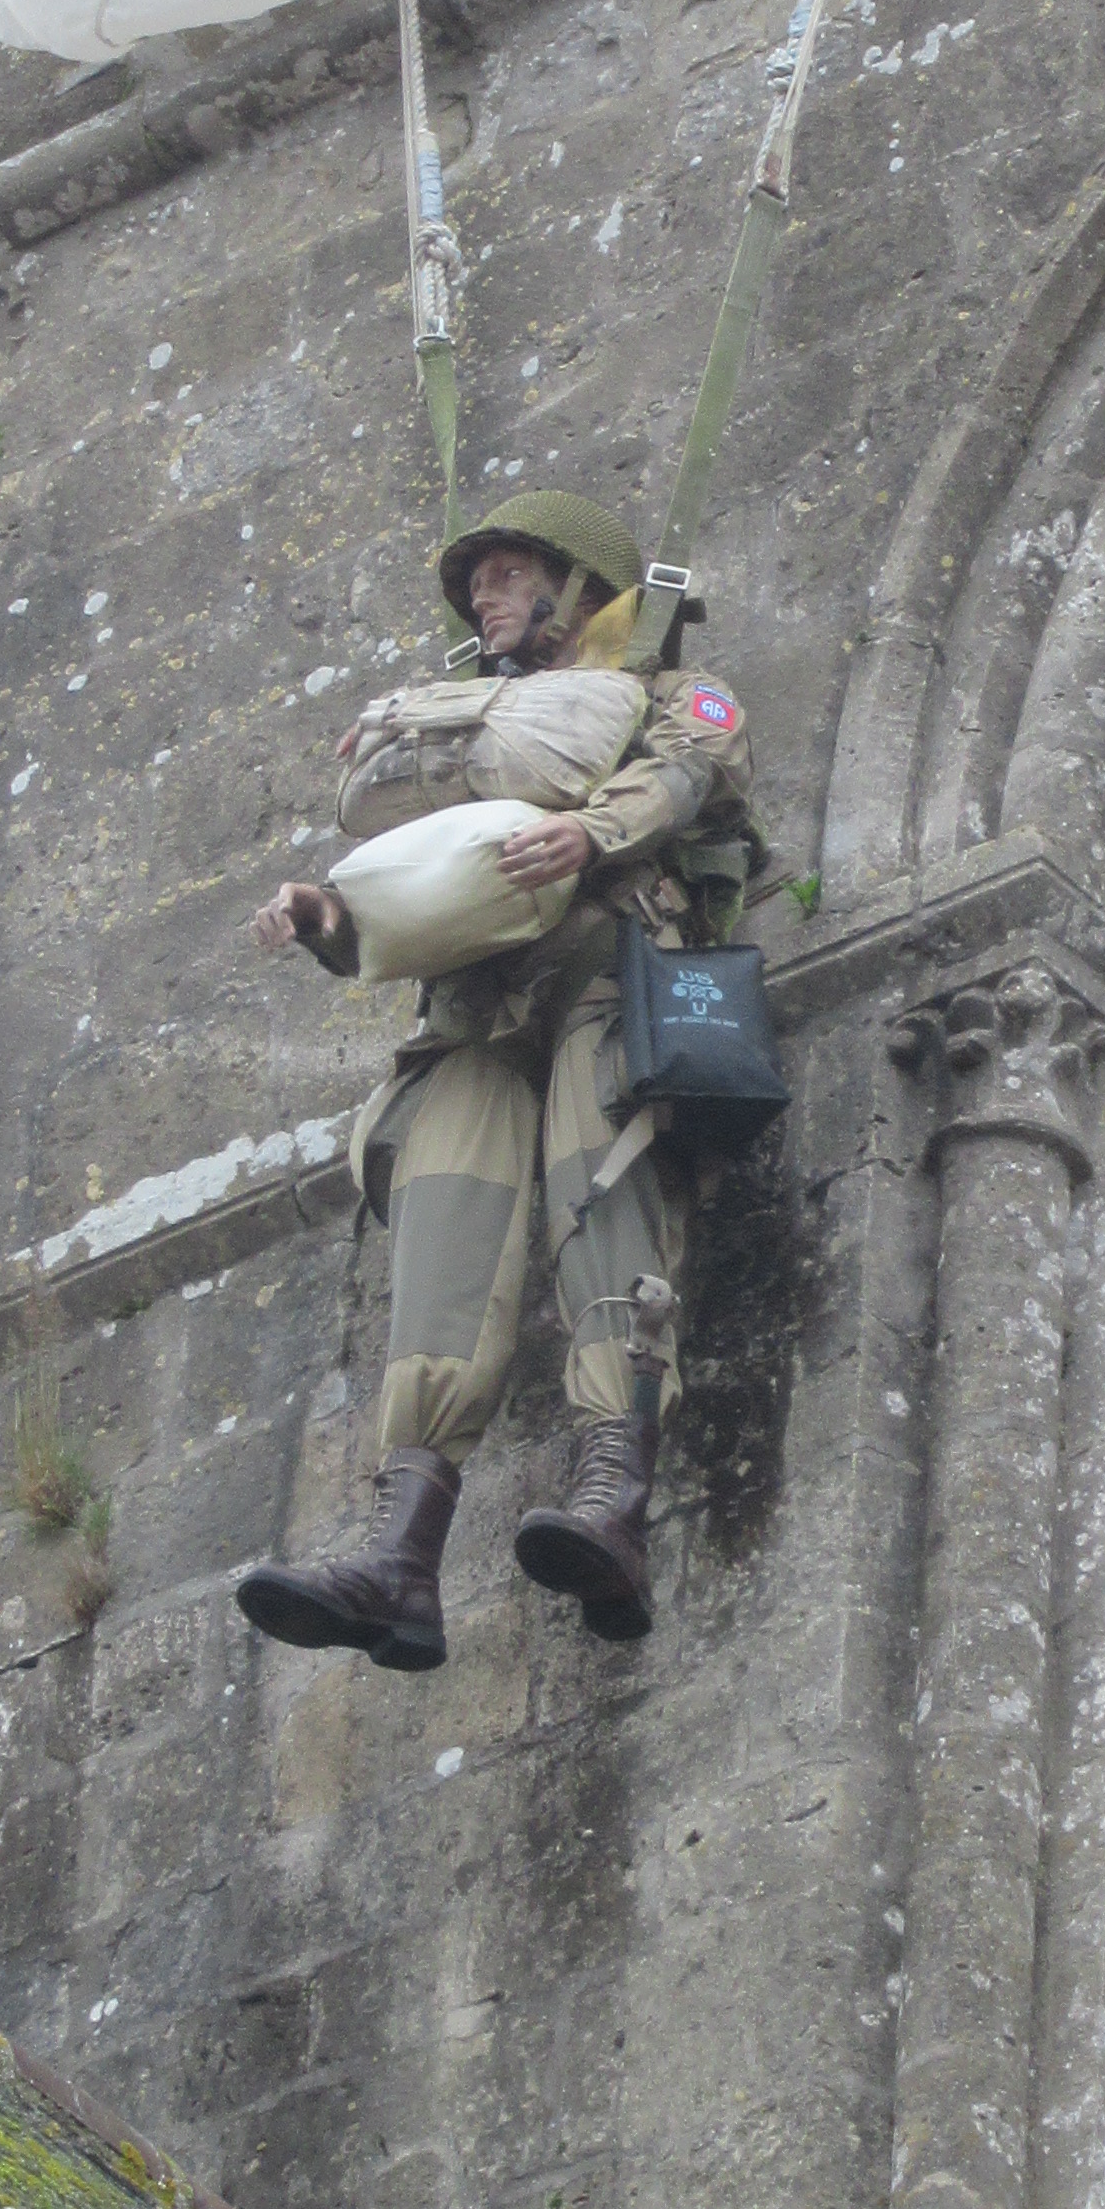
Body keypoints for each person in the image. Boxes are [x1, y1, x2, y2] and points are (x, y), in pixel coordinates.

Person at [233, 491, 758, 1670]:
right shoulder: (459, 735)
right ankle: (395, 1556)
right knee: (444, 1234)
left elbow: (695, 770)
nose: (484, 595)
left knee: (605, 1196)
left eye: (510, 572)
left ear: (583, 588)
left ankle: (612, 1499)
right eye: (479, 582)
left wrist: (593, 833)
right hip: (470, 1007)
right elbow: (418, 873)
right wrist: (327, 914)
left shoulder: (671, 697)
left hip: (607, 974)